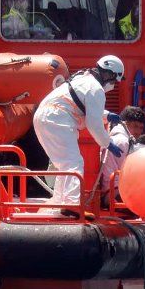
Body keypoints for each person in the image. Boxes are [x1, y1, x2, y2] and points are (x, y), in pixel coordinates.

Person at [32, 55, 125, 208]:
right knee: (73, 163)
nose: (113, 85)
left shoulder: (83, 80)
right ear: (110, 74)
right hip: (57, 119)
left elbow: (80, 106)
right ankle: (72, 205)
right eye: (114, 81)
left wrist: (107, 116)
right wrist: (107, 143)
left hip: (45, 117)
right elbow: (93, 123)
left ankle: (60, 202)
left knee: (65, 164)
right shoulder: (96, 89)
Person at [97, 105, 145, 202]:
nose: (138, 132)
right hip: (114, 191)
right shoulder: (123, 141)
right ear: (125, 124)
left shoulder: (113, 137)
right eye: (135, 126)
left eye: (141, 128)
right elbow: (130, 172)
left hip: (110, 190)